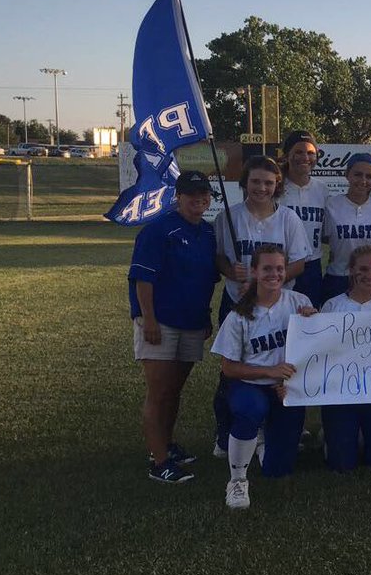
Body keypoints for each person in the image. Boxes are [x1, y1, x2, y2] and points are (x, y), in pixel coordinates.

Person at [212, 156, 310, 457]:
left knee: (280, 365)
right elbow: (220, 257)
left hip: (279, 305)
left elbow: (298, 263)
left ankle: (274, 432)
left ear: (277, 185)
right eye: (255, 181)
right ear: (244, 183)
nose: (262, 188)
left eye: (269, 182)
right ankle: (226, 432)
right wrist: (232, 273)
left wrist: (265, 285)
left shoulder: (288, 219)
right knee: (232, 371)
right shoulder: (228, 217)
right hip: (238, 302)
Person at [128, 170, 218, 483]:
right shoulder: (158, 230)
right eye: (191, 193)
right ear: (177, 196)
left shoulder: (207, 233)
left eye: (203, 194)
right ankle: (159, 460)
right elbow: (143, 278)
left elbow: (206, 279)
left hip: (192, 321)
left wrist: (206, 315)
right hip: (160, 322)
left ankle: (166, 444)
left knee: (174, 390)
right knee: (159, 392)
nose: (198, 199)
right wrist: (148, 318)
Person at [210, 244, 316, 509]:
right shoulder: (239, 315)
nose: (275, 274)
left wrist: (313, 323)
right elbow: (229, 368)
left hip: (285, 388)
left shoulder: (300, 303)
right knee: (250, 409)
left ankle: (263, 442)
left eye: (280, 268)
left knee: (278, 468)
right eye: (267, 268)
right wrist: (269, 372)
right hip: (250, 385)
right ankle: (237, 480)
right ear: (255, 271)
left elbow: (312, 352)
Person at [318, 245, 371, 471]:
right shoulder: (333, 306)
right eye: (363, 269)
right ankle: (332, 436)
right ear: (351, 271)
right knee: (341, 464)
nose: (369, 275)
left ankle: (363, 433)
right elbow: (322, 349)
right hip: (340, 392)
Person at [321, 152, 371, 303]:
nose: (363, 181)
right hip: (338, 276)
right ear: (347, 175)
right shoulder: (331, 204)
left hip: (370, 279)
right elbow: (324, 239)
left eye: (369, 176)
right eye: (357, 174)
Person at [278, 131, 327, 308]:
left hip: (311, 264)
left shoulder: (322, 190)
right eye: (298, 152)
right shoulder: (276, 187)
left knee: (309, 320)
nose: (305, 157)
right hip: (282, 263)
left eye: (310, 153)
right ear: (287, 155)